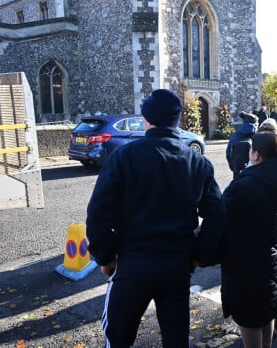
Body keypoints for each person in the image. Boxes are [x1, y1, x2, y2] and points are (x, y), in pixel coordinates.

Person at [85, 89, 226, 348]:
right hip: (176, 265)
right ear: (177, 120)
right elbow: (217, 214)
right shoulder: (197, 162)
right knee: (175, 340)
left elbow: (98, 213)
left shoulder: (124, 156)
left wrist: (104, 257)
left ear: (145, 118)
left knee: (118, 338)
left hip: (132, 263)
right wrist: (198, 254)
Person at [220, 131, 277, 348]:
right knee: (266, 310)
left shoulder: (245, 184)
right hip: (271, 256)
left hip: (247, 260)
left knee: (249, 317)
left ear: (256, 155)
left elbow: (222, 218)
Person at [226, 112, 258, 178]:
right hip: (253, 171)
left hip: (237, 169)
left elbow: (228, 153)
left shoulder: (235, 135)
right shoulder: (258, 135)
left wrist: (233, 167)